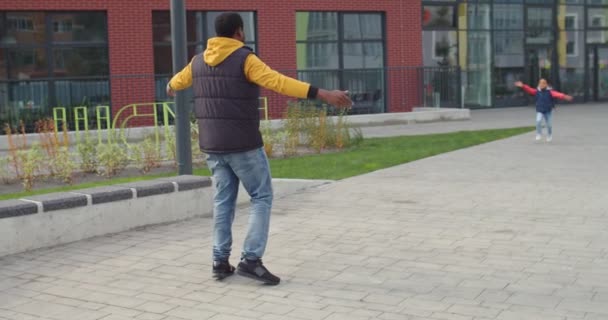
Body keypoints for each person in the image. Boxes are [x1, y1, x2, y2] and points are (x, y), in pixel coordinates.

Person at [167, 12, 352, 285]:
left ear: (216, 35)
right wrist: (322, 93)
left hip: (213, 147)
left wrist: (171, 86)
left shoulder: (197, 62)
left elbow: (175, 84)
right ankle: (251, 261)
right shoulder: (245, 59)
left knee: (222, 202)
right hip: (243, 145)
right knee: (261, 197)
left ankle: (219, 261)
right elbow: (278, 81)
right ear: (239, 32)